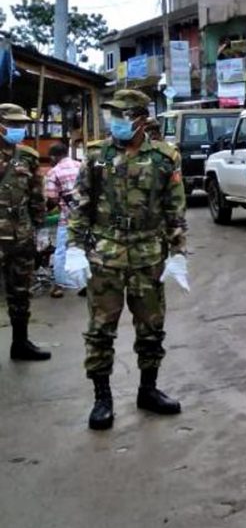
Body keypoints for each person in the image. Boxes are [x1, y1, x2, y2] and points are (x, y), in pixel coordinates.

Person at [66, 89, 190, 431]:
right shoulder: (97, 155)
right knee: (100, 330)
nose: (115, 121)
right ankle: (102, 399)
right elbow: (81, 204)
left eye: (123, 115)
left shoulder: (165, 157)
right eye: (114, 115)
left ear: (140, 119)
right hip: (105, 254)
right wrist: (74, 247)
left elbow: (174, 209)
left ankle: (148, 390)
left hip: (148, 254)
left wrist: (179, 253)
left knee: (151, 328)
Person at [0, 103, 50, 361]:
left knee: (20, 292)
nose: (18, 129)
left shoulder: (28, 156)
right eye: (13, 124)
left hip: (20, 237)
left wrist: (40, 228)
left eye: (21, 124)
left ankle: (20, 343)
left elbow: (36, 195)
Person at [43, 142, 81, 297]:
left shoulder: (54, 172)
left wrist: (45, 212)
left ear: (53, 157)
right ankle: (86, 283)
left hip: (67, 219)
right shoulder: (81, 166)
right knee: (85, 249)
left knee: (61, 252)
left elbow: (52, 199)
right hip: (85, 217)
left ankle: (59, 285)